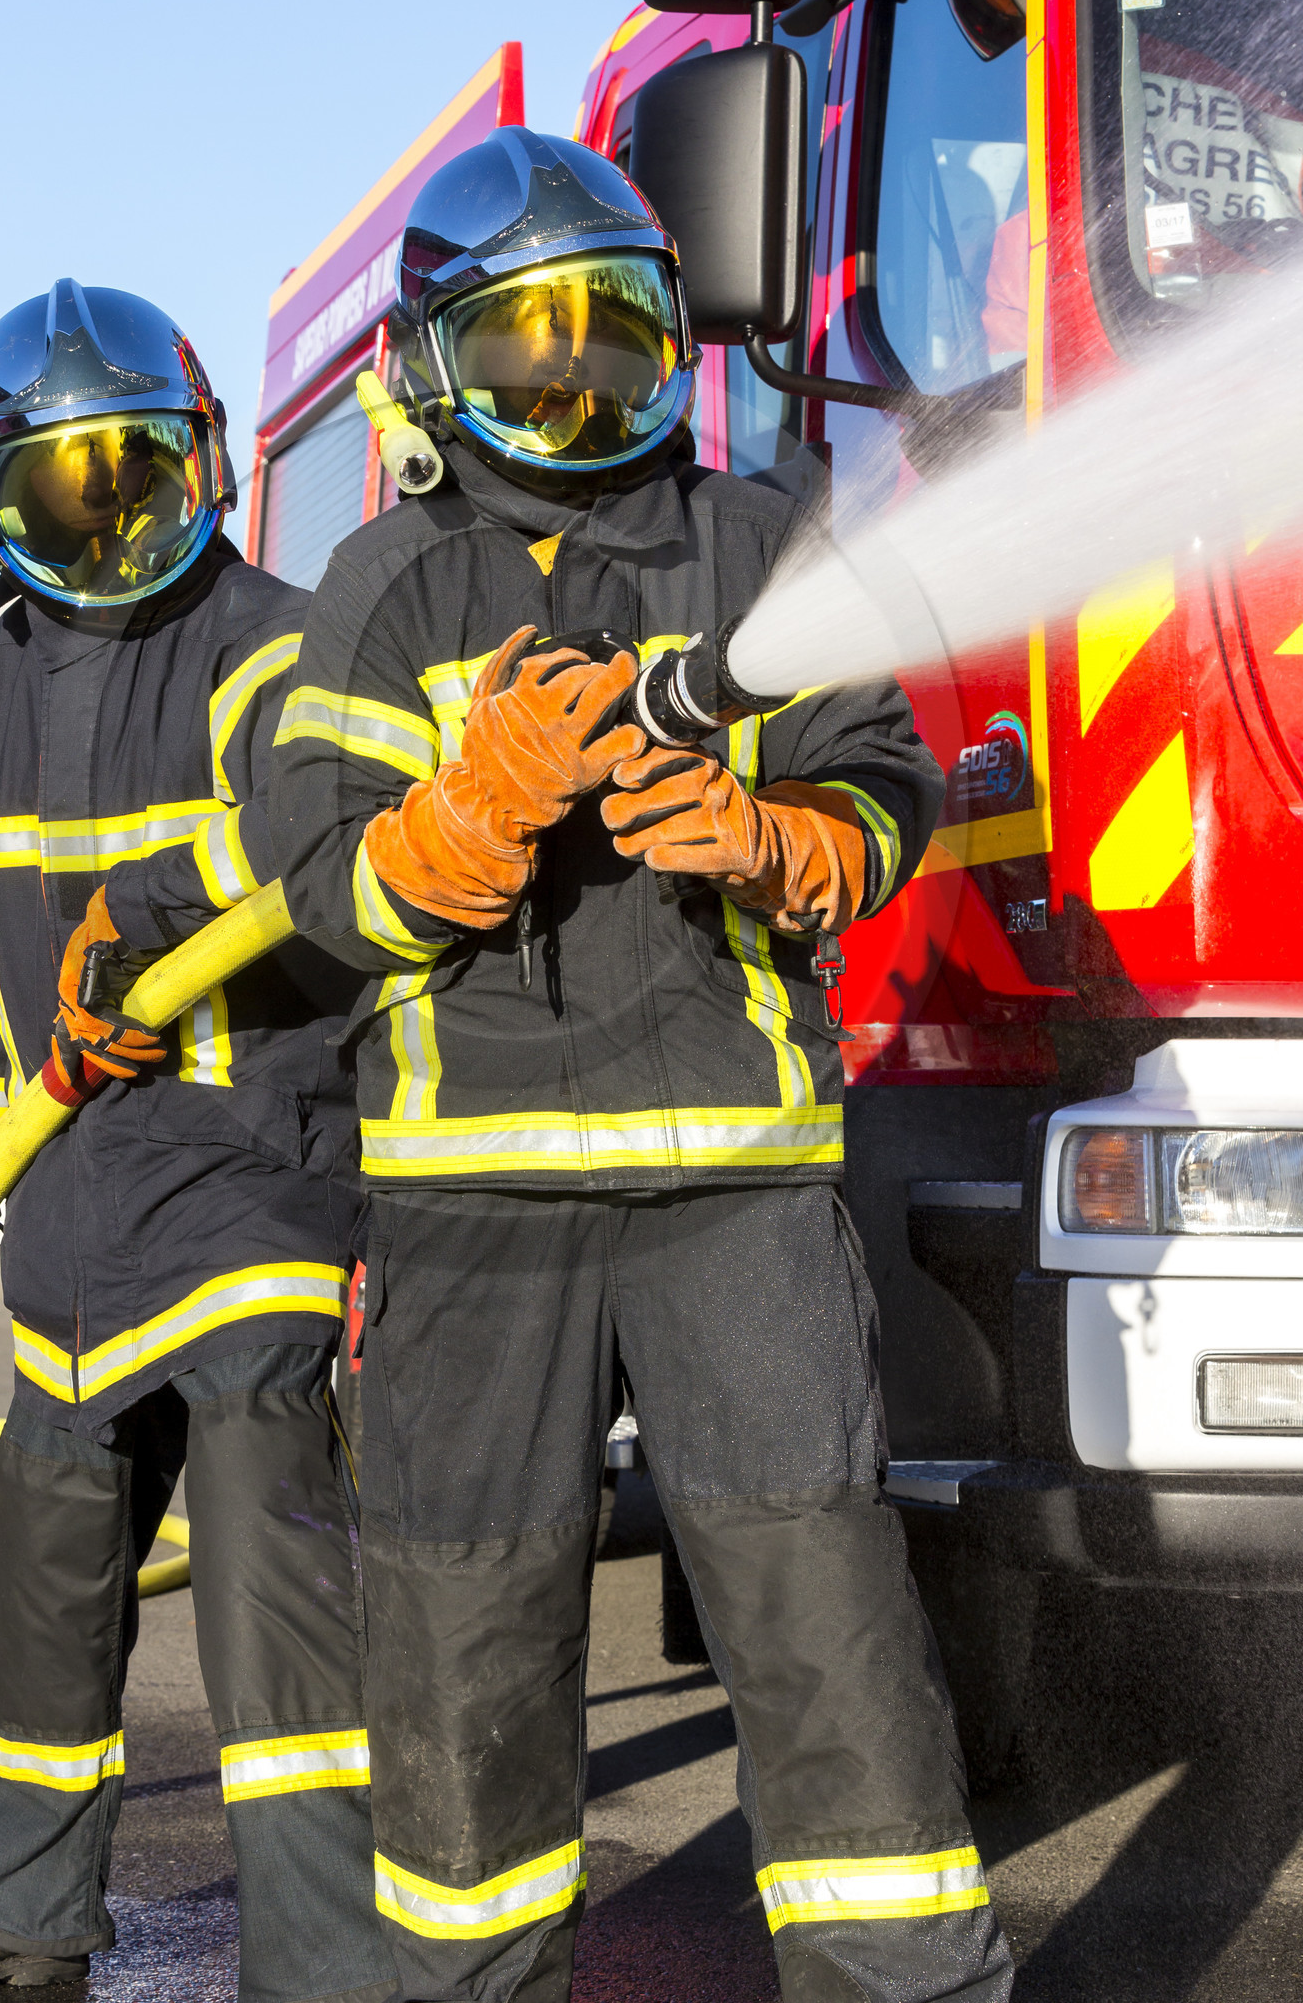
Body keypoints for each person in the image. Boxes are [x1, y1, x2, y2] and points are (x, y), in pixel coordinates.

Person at [268, 130, 1014, 2003]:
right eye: (531, 347)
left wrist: (771, 842)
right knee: (463, 1636)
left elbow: (886, 792)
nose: (576, 384)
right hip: (474, 1206)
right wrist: (451, 834)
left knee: (820, 1620)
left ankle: (909, 1986)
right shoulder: (386, 582)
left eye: (611, 339)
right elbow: (314, 886)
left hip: (735, 1196)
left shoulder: (755, 542)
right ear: (437, 368)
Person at [0, 280, 393, 2003]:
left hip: (248, 1187)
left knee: (267, 1604)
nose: (108, 520)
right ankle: (20, 1922)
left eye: (136, 476)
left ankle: (321, 1960)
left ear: (203, 462)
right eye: (64, 491)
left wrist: (155, 934)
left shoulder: (282, 644)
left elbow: (330, 884)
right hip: (69, 1221)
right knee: (46, 1577)